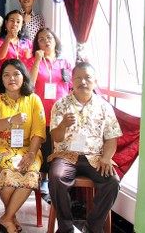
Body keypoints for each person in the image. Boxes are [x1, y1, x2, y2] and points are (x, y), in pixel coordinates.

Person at [48, 62, 122, 233]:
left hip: (95, 156)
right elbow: (56, 137)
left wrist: (106, 158)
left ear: (95, 81)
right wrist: (63, 125)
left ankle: (93, 228)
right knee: (57, 176)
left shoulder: (104, 107)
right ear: (71, 81)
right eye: (78, 78)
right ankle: (66, 228)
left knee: (112, 182)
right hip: (66, 155)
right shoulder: (60, 105)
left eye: (88, 78)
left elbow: (112, 138)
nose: (83, 82)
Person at [0, 59, 46, 233]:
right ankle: (11, 217)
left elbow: (39, 132)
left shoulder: (34, 100)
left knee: (31, 172)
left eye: (16, 74)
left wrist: (32, 153)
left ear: (23, 77)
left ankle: (7, 217)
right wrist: (11, 121)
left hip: (28, 148)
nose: (12, 78)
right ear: (1, 79)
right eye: (6, 74)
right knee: (7, 174)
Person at [26, 28, 72, 198]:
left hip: (60, 112)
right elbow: (29, 83)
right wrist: (38, 60)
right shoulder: (32, 61)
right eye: (41, 39)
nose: (46, 41)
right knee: (44, 146)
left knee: (58, 146)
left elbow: (70, 86)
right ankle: (43, 179)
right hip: (40, 110)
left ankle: (57, 179)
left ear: (55, 40)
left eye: (49, 37)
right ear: (37, 44)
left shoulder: (64, 63)